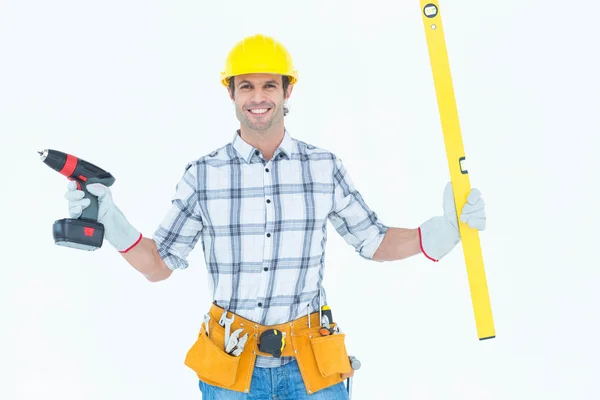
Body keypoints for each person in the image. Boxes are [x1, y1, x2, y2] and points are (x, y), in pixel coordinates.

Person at [65, 34, 487, 399]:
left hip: (311, 368)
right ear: (230, 93)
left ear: (288, 91)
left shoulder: (323, 168)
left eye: (270, 85)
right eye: (246, 86)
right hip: (231, 370)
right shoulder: (204, 175)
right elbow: (159, 266)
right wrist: (112, 222)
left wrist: (438, 234)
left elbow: (372, 241)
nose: (258, 97)